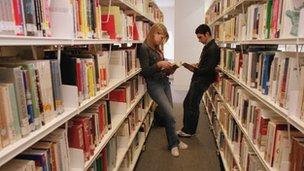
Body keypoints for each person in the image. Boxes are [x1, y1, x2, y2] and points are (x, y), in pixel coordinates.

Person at [137, 23, 188, 157]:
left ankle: (174, 141)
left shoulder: (158, 48)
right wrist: (159, 64)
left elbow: (162, 71)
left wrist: (170, 69)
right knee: (170, 114)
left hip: (164, 82)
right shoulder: (144, 48)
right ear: (155, 32)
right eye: (161, 36)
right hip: (154, 85)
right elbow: (146, 72)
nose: (162, 40)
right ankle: (173, 144)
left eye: (164, 38)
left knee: (169, 115)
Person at [177, 24, 220, 137]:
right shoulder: (208, 46)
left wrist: (194, 69)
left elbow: (208, 69)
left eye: (200, 37)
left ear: (207, 34)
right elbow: (205, 64)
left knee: (192, 104)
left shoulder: (213, 48)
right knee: (189, 103)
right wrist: (196, 66)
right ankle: (187, 129)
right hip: (199, 79)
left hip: (202, 81)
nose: (199, 40)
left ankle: (188, 131)